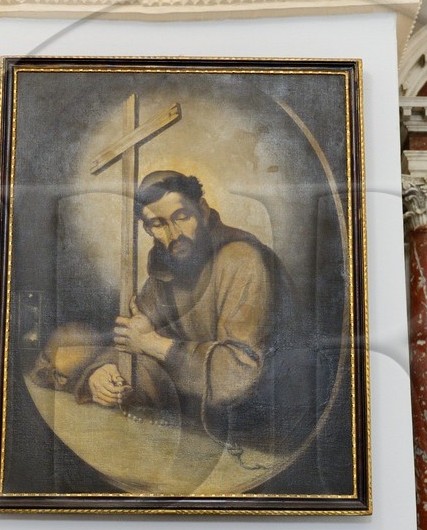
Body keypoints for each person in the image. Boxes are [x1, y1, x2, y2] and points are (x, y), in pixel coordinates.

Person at [79, 170, 307, 452]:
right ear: (148, 230)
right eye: (158, 224)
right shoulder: (164, 272)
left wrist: (154, 344)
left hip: (261, 438)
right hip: (194, 434)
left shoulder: (242, 260)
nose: (174, 234)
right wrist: (104, 372)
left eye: (181, 217)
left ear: (202, 209)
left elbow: (237, 376)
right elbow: (135, 341)